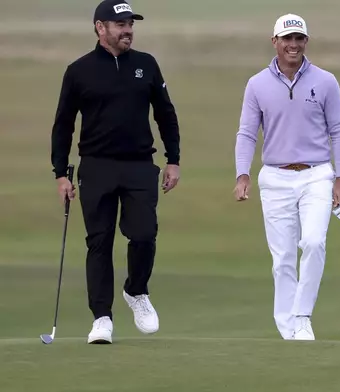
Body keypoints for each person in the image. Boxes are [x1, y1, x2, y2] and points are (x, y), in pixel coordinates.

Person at [50, 0, 181, 344]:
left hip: (139, 165)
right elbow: (63, 124)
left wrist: (174, 159)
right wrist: (60, 174)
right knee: (99, 241)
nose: (128, 30)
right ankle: (102, 318)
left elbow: (165, 113)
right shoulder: (79, 71)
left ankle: (136, 291)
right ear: (100, 28)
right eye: (120, 24)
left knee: (143, 234)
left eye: (130, 24)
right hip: (96, 166)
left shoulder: (146, 65)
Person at [233, 13, 340, 341]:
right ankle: (289, 331)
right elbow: (246, 133)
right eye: (287, 39)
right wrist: (242, 173)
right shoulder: (257, 84)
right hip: (274, 177)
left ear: (306, 42)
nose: (293, 45)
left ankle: (302, 317)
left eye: (299, 38)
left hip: (317, 175)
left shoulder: (325, 81)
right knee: (282, 257)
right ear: (275, 42)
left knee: (313, 241)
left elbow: (339, 131)